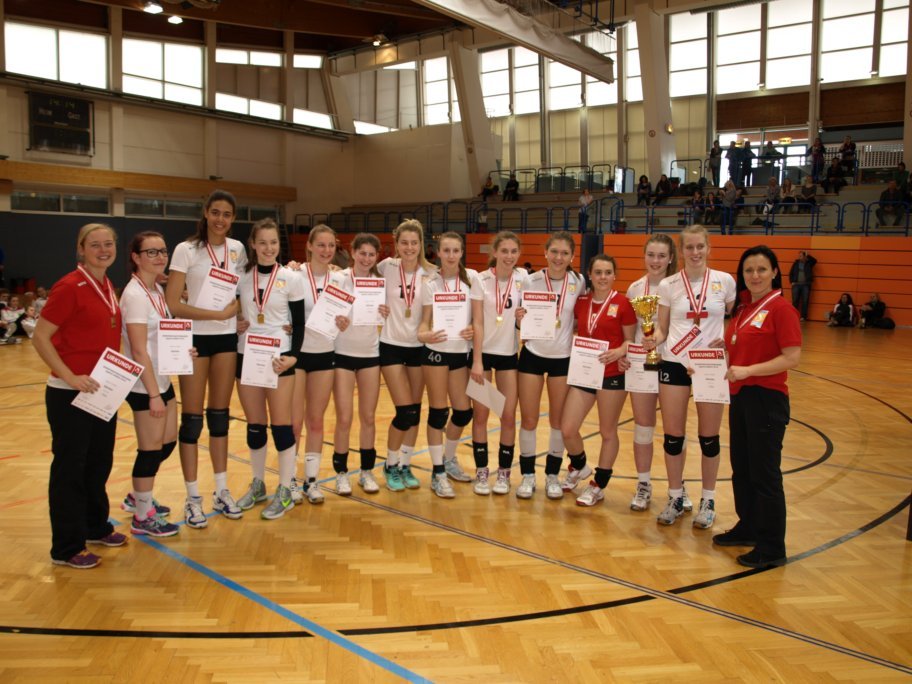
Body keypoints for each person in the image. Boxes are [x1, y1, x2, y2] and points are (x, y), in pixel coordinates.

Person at [32, 223, 127, 568]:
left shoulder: (107, 285)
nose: (103, 250)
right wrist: (69, 376)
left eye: (108, 244)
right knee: (70, 470)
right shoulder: (69, 286)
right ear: (81, 249)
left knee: (98, 464)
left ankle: (95, 527)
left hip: (102, 392)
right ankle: (66, 547)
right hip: (69, 394)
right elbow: (40, 337)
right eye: (95, 245)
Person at [713, 245, 801, 569]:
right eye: (749, 270)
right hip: (741, 396)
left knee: (764, 474)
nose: (755, 275)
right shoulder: (744, 309)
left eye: (762, 269)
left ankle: (772, 547)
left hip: (766, 398)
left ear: (775, 272)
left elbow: (792, 357)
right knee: (743, 468)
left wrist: (749, 370)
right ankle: (749, 526)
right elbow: (741, 348)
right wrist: (718, 352)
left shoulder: (781, 309)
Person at [165, 189, 247, 529]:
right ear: (205, 213)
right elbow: (173, 303)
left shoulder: (238, 249)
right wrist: (217, 316)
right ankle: (192, 497)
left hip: (227, 340)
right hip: (195, 340)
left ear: (233, 218)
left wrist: (236, 314)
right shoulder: (186, 250)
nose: (220, 219)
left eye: (227, 214)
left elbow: (243, 294)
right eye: (215, 213)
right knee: (192, 420)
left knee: (219, 418)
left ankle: (222, 490)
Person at [646, 225, 736, 528]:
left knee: (709, 438)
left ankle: (708, 500)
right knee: (673, 437)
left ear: (709, 248)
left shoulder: (725, 281)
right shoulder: (669, 284)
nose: (695, 252)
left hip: (710, 366)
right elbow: (662, 328)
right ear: (681, 251)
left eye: (700, 246)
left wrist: (729, 341)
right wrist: (653, 339)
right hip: (674, 363)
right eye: (689, 247)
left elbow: (737, 320)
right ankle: (675, 496)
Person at [234, 219, 306, 519]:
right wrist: (235, 323)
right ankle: (258, 483)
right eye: (262, 242)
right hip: (247, 356)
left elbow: (299, 322)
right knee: (255, 425)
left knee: (281, 425)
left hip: (280, 358)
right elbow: (231, 311)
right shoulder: (241, 276)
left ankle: (286, 488)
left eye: (273, 242)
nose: (268, 248)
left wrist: (294, 357)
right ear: (252, 244)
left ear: (279, 244)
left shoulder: (291, 278)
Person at [119, 231, 182, 537]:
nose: (160, 257)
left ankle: (137, 496)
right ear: (136, 257)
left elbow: (162, 336)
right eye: (152, 252)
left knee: (167, 442)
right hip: (145, 386)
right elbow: (139, 349)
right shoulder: (134, 296)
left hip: (162, 379)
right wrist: (154, 395)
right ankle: (142, 517)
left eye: (163, 251)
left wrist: (182, 351)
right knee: (150, 449)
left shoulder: (156, 289)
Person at [515, 231, 587, 499]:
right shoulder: (530, 280)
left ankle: (552, 475)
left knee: (557, 421)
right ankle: (527, 475)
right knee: (529, 419)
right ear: (545, 252)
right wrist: (519, 319)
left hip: (562, 358)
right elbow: (520, 318)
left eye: (565, 253)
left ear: (572, 256)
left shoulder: (579, 281)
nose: (559, 257)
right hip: (532, 354)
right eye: (554, 251)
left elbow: (579, 318)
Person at [561, 255, 636, 507]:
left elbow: (630, 340)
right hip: (584, 372)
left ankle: (599, 485)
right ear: (590, 275)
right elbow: (570, 327)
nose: (603, 277)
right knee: (567, 428)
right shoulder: (582, 302)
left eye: (608, 272)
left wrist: (619, 351)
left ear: (614, 275)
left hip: (612, 373)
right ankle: (580, 465)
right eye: (598, 272)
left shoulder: (623, 303)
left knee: (607, 431)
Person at [418, 232, 484, 498]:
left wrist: (472, 331)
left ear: (462, 252)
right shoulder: (430, 283)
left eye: (456, 250)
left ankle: (448, 459)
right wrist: (424, 334)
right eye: (446, 250)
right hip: (436, 352)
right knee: (438, 413)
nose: (451, 255)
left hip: (460, 353)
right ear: (438, 252)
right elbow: (424, 323)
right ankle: (437, 473)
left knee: (463, 412)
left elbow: (478, 320)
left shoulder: (472, 279)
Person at [291, 224, 349, 503]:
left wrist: (344, 322)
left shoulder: (339, 280)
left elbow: (346, 315)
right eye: (321, 245)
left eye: (331, 246)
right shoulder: (293, 275)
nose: (326, 251)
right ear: (309, 246)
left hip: (325, 354)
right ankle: (289, 480)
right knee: (294, 423)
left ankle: (311, 481)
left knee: (315, 421)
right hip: (296, 355)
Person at [377, 219, 436, 491]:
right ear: (396, 244)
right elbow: (354, 272)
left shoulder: (432, 273)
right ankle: (390, 465)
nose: (409, 247)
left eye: (414, 243)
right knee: (404, 411)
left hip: (419, 347)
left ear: (421, 244)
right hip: (390, 344)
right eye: (404, 243)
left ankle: (405, 464)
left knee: (415, 411)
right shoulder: (385, 267)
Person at [469, 231, 526, 495]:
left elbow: (526, 317)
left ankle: (504, 473)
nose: (509, 256)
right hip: (483, 356)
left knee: (508, 415)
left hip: (508, 355)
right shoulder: (480, 280)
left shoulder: (523, 279)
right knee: (480, 415)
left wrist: (523, 319)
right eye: (504, 251)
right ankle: (482, 472)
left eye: (514, 251)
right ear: (495, 252)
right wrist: (477, 361)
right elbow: (477, 321)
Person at [624, 234, 678, 511]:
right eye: (651, 255)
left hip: (672, 364)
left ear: (671, 258)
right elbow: (627, 330)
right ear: (644, 256)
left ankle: (677, 488)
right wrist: (625, 352)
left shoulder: (680, 286)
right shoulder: (634, 289)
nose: (655, 261)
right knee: (643, 427)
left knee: (674, 430)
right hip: (641, 364)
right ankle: (643, 484)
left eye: (661, 256)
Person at [333, 233, 385, 494]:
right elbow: (326, 309)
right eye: (362, 253)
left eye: (371, 254)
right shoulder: (338, 278)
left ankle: (366, 471)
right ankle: (341, 473)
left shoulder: (380, 283)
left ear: (377, 257)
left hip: (370, 354)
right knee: (344, 417)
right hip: (342, 353)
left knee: (368, 417)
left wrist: (385, 313)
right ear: (352, 252)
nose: (366, 258)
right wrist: (336, 319)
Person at [787, 251, 816, 322]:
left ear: (804, 256)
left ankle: (803, 317)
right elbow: (791, 273)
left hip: (806, 285)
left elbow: (815, 261)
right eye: (799, 256)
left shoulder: (809, 263)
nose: (799, 257)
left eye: (801, 256)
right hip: (796, 284)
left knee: (805, 301)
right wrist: (792, 281)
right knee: (795, 301)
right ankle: (794, 316)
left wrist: (808, 255)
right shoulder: (796, 263)